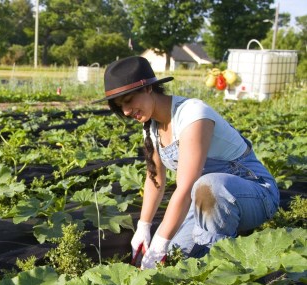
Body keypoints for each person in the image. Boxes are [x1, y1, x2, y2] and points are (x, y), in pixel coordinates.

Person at [94, 56, 279, 269]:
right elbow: (155, 179)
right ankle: (215, 243)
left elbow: (187, 186)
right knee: (176, 259)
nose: (126, 111)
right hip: (205, 202)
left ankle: (223, 267)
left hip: (255, 195)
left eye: (128, 101)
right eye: (120, 106)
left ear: (148, 89)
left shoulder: (192, 114)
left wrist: (160, 241)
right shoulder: (153, 126)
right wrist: (143, 227)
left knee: (207, 187)